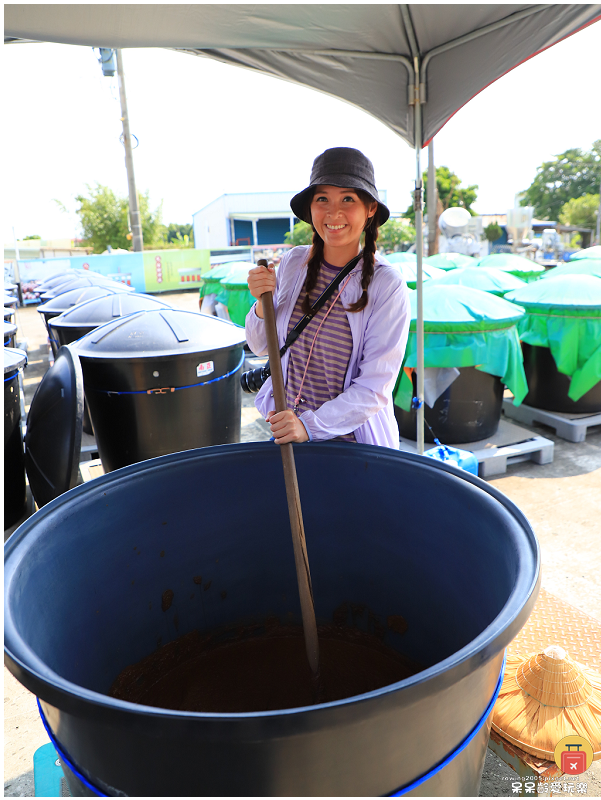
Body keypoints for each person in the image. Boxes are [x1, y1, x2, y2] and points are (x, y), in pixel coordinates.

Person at [245, 146, 410, 448]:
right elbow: (260, 346)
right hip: (289, 438)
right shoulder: (294, 264)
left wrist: (309, 426)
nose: (334, 213)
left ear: (370, 209)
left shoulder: (386, 284)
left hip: (352, 446)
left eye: (348, 199)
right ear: (311, 208)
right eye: (322, 199)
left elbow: (374, 387)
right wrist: (260, 303)